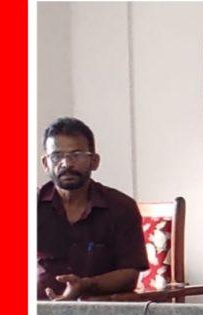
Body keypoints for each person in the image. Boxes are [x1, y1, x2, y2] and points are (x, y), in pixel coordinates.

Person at [37, 117, 148, 301]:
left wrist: (85, 285)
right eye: (56, 156)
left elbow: (130, 275)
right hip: (37, 310)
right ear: (45, 163)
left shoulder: (120, 207)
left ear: (94, 161)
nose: (66, 163)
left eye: (77, 154)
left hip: (100, 309)